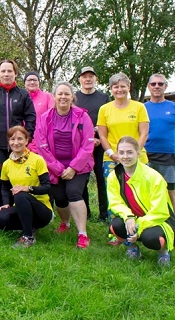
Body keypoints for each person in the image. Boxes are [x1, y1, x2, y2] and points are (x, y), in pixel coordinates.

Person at [34, 82, 95, 248]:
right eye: (59, 94)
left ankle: (82, 234)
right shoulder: (45, 118)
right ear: (54, 96)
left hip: (79, 166)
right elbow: (42, 146)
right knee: (60, 197)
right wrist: (58, 168)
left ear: (72, 97)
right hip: (55, 166)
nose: (63, 97)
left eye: (67, 94)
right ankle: (65, 224)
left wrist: (73, 167)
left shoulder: (82, 116)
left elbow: (88, 144)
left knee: (73, 192)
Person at [107, 136, 175, 266]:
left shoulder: (153, 177)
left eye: (130, 152)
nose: (125, 156)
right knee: (116, 226)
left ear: (138, 153)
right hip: (133, 217)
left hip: (159, 221)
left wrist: (138, 226)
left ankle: (163, 252)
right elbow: (115, 202)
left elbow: (160, 212)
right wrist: (128, 217)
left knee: (150, 238)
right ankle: (132, 248)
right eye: (121, 152)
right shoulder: (114, 176)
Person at [97, 72, 149, 245]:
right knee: (115, 195)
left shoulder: (139, 107)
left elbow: (144, 133)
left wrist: (133, 153)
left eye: (122, 86)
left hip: (137, 158)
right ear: (111, 89)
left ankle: (140, 230)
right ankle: (116, 232)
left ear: (129, 87)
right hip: (112, 158)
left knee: (138, 195)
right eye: (115, 86)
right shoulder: (105, 109)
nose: (119, 89)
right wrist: (113, 154)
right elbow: (103, 136)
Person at [0, 59, 35, 208]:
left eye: (9, 71)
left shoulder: (23, 94)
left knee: (18, 181)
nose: (6, 74)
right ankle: (2, 212)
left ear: (15, 73)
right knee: (0, 180)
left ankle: (19, 212)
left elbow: (31, 117)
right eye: (3, 71)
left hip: (18, 146)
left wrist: (27, 138)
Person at [0, 126, 53, 247]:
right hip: (21, 207)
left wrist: (28, 188)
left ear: (27, 140)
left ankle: (28, 236)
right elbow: (4, 187)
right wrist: (5, 203)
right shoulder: (6, 164)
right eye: (12, 139)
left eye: (20, 139)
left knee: (19, 194)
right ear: (8, 142)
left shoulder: (37, 160)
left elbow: (47, 187)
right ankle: (29, 226)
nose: (16, 142)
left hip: (42, 211)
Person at [144, 74, 175, 221]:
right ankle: (148, 224)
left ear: (165, 87)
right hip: (146, 156)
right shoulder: (142, 108)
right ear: (149, 87)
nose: (157, 86)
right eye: (153, 84)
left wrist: (174, 148)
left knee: (170, 193)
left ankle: (173, 226)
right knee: (146, 193)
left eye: (160, 84)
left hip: (169, 157)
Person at [75, 66, 110, 224]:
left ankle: (104, 215)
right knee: (83, 180)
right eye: (84, 76)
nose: (88, 79)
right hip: (81, 146)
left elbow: (108, 121)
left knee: (102, 179)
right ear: (80, 80)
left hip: (101, 144)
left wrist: (98, 138)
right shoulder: (75, 98)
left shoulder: (104, 98)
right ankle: (86, 213)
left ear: (96, 79)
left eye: (91, 76)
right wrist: (88, 139)